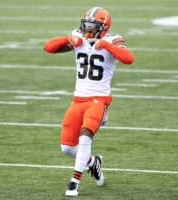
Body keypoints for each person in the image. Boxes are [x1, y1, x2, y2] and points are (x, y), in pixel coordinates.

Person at [43, 7, 134, 197]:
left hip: (99, 100)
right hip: (78, 99)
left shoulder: (113, 39)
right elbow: (48, 47)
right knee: (67, 147)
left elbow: (129, 58)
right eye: (87, 25)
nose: (88, 29)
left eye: (93, 26)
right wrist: (68, 38)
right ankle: (93, 162)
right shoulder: (79, 36)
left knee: (85, 136)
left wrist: (107, 46)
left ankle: (74, 182)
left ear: (104, 27)